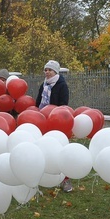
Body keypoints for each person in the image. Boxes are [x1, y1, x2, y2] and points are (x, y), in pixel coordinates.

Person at [35, 60, 73, 192]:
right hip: (44, 122)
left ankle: (65, 180)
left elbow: (64, 105)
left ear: (55, 71)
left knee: (61, 149)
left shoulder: (62, 85)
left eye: (49, 70)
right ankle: (43, 176)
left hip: (57, 122)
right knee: (44, 148)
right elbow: (37, 103)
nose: (46, 72)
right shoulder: (43, 85)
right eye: (45, 70)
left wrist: (52, 113)